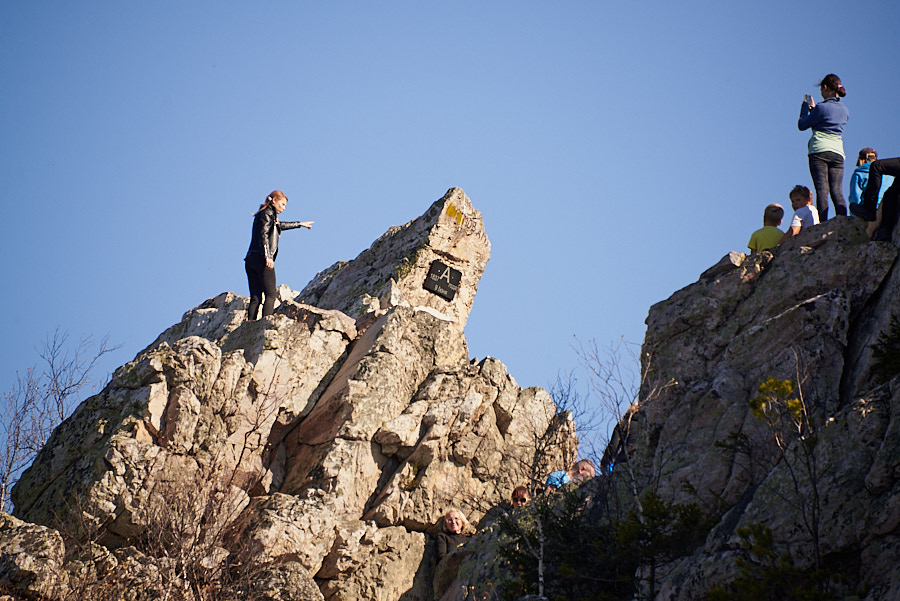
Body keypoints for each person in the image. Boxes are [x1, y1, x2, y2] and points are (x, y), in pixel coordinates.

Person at [244, 190, 313, 320]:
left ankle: (249, 325)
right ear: (274, 200)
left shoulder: (266, 215)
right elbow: (263, 235)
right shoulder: (267, 214)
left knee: (256, 297)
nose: (283, 208)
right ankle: (266, 322)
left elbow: (279, 226)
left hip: (250, 259)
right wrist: (268, 256)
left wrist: (300, 224)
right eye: (282, 204)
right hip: (261, 258)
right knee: (270, 294)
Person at [798, 74, 849, 221]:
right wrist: (816, 111)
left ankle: (822, 224)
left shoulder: (821, 107)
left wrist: (805, 109)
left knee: (822, 189)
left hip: (819, 150)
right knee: (837, 190)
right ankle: (842, 222)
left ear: (826, 88)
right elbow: (828, 120)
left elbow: (802, 125)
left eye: (821, 90)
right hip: (838, 152)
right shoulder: (845, 110)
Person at [848, 149, 896, 238]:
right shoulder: (889, 173)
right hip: (887, 208)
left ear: (861, 160)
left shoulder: (859, 173)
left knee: (853, 206)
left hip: (870, 212)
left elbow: (855, 198)